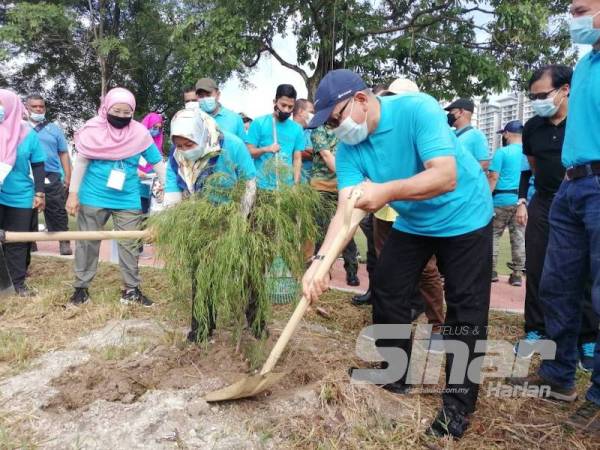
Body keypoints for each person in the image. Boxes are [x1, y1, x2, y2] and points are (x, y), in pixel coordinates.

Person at [304, 69, 493, 439]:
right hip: (415, 221)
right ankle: (396, 373)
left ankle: (457, 406)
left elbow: (444, 176)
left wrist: (386, 191)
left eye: (336, 118)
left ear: (360, 100)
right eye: (328, 124)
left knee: (465, 309)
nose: (336, 129)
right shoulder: (350, 151)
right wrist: (320, 263)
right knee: (387, 287)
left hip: (464, 215)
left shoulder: (417, 110)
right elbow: (345, 211)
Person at [508, 0, 600, 433]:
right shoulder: (584, 67)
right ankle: (560, 374)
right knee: (555, 283)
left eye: (581, 8)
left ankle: (597, 395)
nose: (573, 16)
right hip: (569, 185)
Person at [515, 65, 598, 372]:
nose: (537, 100)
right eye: (532, 95)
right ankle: (536, 329)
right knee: (537, 268)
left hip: (582, 196)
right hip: (547, 200)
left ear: (565, 90)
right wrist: (528, 198)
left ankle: (587, 337)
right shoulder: (533, 127)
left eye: (542, 94)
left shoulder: (583, 120)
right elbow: (533, 166)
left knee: (586, 272)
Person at [66, 87, 166, 307]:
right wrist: (73, 194)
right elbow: (81, 162)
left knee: (129, 243)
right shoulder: (92, 129)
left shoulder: (139, 133)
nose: (121, 117)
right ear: (106, 108)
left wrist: (168, 186)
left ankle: (131, 289)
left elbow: (157, 161)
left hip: (127, 197)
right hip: (93, 195)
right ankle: (81, 289)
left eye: (126, 113)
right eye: (116, 111)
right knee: (87, 242)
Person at [163, 108, 257, 341]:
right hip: (201, 218)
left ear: (202, 135)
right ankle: (202, 328)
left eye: (189, 143)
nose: (184, 150)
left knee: (248, 271)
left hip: (236, 212)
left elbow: (249, 183)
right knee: (202, 273)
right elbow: (173, 190)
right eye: (180, 145)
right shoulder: (176, 157)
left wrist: (239, 221)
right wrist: (170, 222)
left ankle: (256, 323)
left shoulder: (232, 145)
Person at [366, 79, 446, 353]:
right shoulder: (376, 136)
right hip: (385, 211)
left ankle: (437, 325)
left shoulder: (421, 127)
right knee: (386, 268)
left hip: (419, 216)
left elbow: (437, 174)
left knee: (427, 271)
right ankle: (395, 328)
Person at [0, 89, 46, 296]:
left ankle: (17, 284)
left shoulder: (28, 134)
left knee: (17, 242)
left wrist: (39, 193)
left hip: (20, 196)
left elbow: (38, 165)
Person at [310, 122, 360, 287]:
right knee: (322, 231)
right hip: (321, 186)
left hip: (343, 187)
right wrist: (347, 172)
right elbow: (326, 156)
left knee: (346, 229)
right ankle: (321, 273)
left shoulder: (346, 130)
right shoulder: (319, 130)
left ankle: (351, 271)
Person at [25, 94, 72, 256]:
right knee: (26, 209)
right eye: (34, 107)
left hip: (51, 173)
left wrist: (67, 176)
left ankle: (63, 241)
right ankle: (29, 242)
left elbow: (64, 153)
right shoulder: (20, 127)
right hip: (26, 174)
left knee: (57, 209)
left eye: (41, 107)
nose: (38, 109)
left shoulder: (54, 129)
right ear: (27, 108)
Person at [487, 120, 526, 286]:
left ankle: (492, 271)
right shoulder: (528, 153)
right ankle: (517, 274)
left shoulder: (502, 152)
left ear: (507, 134)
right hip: (521, 202)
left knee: (494, 235)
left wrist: (487, 197)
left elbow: (493, 177)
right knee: (518, 237)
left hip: (500, 200)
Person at [245, 84, 305, 190]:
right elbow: (249, 152)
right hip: (261, 185)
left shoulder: (297, 129)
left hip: (286, 188)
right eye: (283, 105)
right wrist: (266, 149)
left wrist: (295, 184)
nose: (286, 110)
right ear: (274, 102)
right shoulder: (259, 123)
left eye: (290, 107)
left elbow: (297, 158)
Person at [445, 98, 490, 170]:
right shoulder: (450, 134)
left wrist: (465, 177)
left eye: (451, 111)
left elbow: (484, 164)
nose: (449, 115)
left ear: (461, 112)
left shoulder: (477, 135)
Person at [139, 112, 164, 214]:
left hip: (153, 189)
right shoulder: (135, 141)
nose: (156, 131)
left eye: (159, 128)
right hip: (136, 187)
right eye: (154, 127)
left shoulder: (157, 144)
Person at [293, 99, 315, 183]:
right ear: (300, 111)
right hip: (291, 185)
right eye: (311, 112)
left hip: (311, 184)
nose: (313, 115)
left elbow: (316, 154)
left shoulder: (311, 132)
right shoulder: (289, 131)